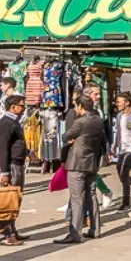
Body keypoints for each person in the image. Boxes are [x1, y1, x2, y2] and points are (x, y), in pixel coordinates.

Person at [55, 96, 105, 244]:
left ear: (81, 106)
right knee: (92, 196)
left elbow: (65, 136)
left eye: (76, 106)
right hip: (91, 162)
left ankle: (75, 233)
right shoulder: (98, 120)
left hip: (77, 163)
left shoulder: (80, 122)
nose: (75, 109)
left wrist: (70, 139)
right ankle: (95, 229)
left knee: (77, 198)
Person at [0, 95, 28, 246]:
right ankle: (3, 235)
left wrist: (27, 152)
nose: (23, 109)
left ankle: (11, 231)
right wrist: (4, 172)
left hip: (17, 164)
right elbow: (3, 149)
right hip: (10, 167)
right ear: (13, 106)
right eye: (21, 106)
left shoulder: (13, 122)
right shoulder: (5, 123)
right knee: (6, 202)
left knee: (14, 201)